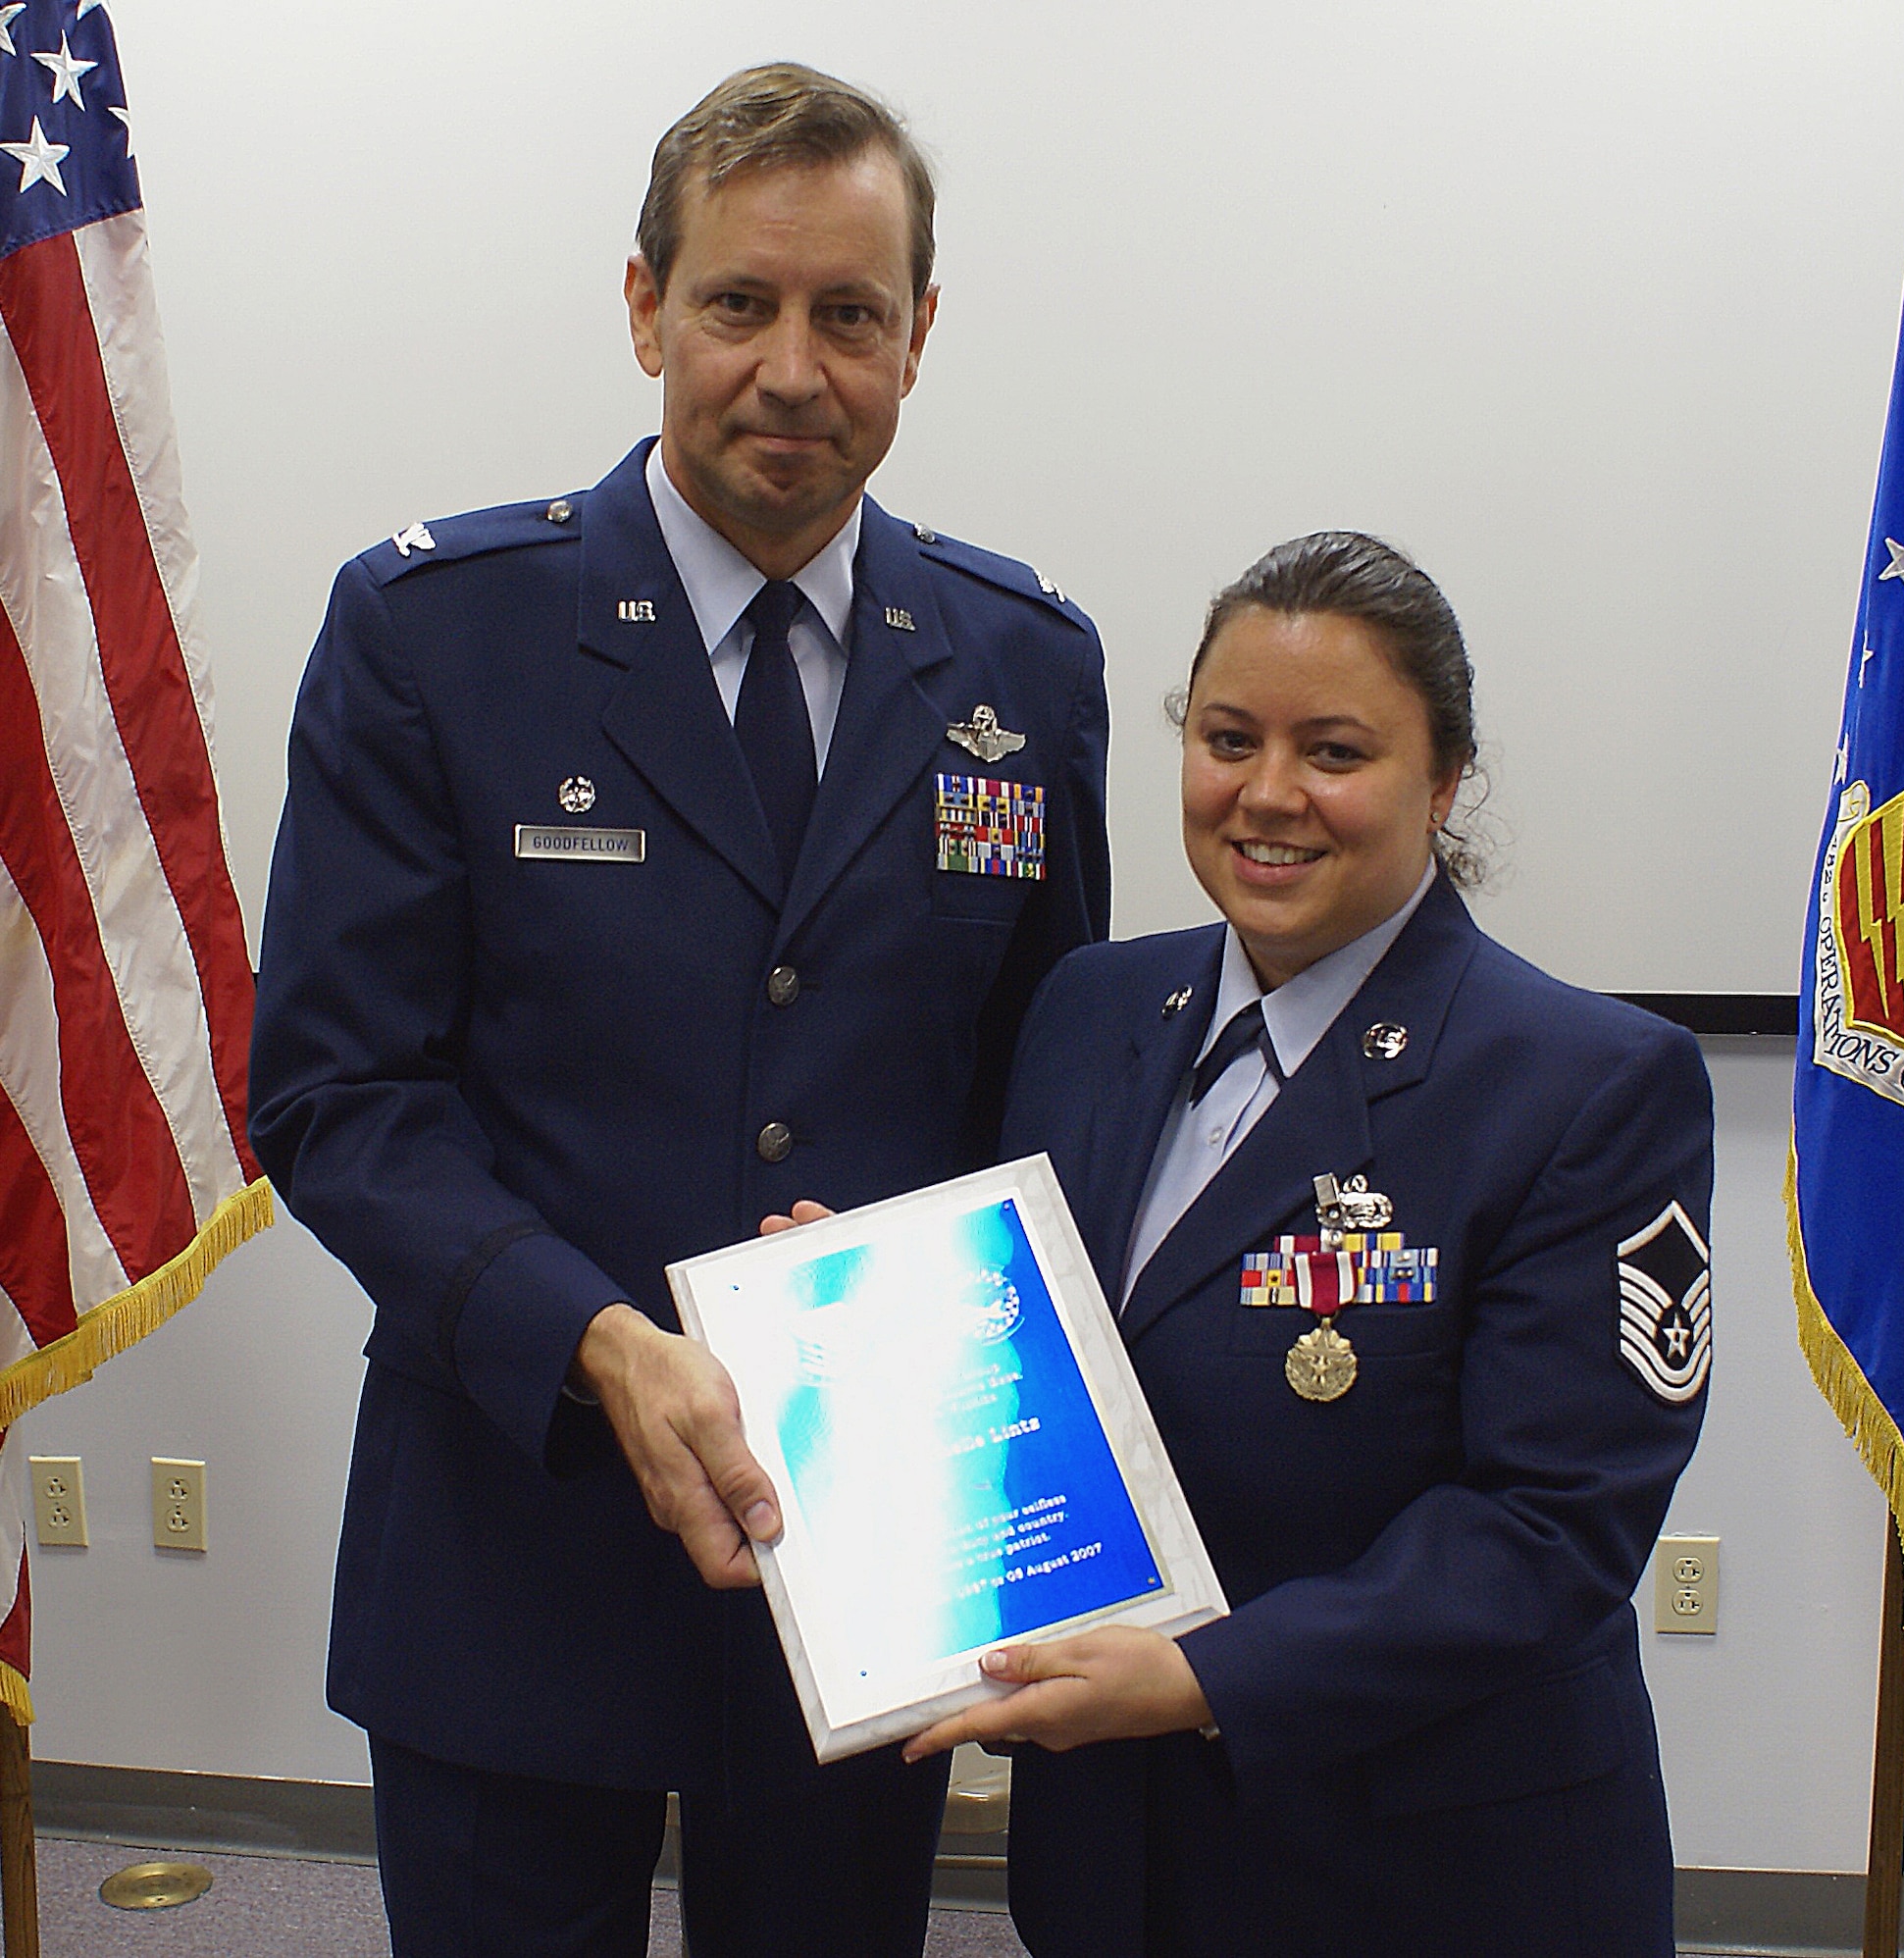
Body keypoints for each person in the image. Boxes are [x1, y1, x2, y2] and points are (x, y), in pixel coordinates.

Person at [247, 63, 1109, 1958]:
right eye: (740, 303)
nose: (792, 368)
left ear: (919, 337)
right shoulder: (435, 635)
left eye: (849, 314)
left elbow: (1048, 1100)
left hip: (861, 1563)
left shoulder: (1025, 670)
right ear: (645, 306)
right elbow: (336, 1096)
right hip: (512, 1529)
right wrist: (601, 1345)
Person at [897, 532, 1713, 1957]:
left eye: (1333, 750)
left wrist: (1199, 1678)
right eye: (1227, 739)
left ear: (1443, 780)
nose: (1267, 796)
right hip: (1118, 1853)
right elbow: (1032, 1350)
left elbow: (1547, 1533)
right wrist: (862, 1303)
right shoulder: (1089, 1009)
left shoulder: (1589, 1082)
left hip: (1427, 1868)